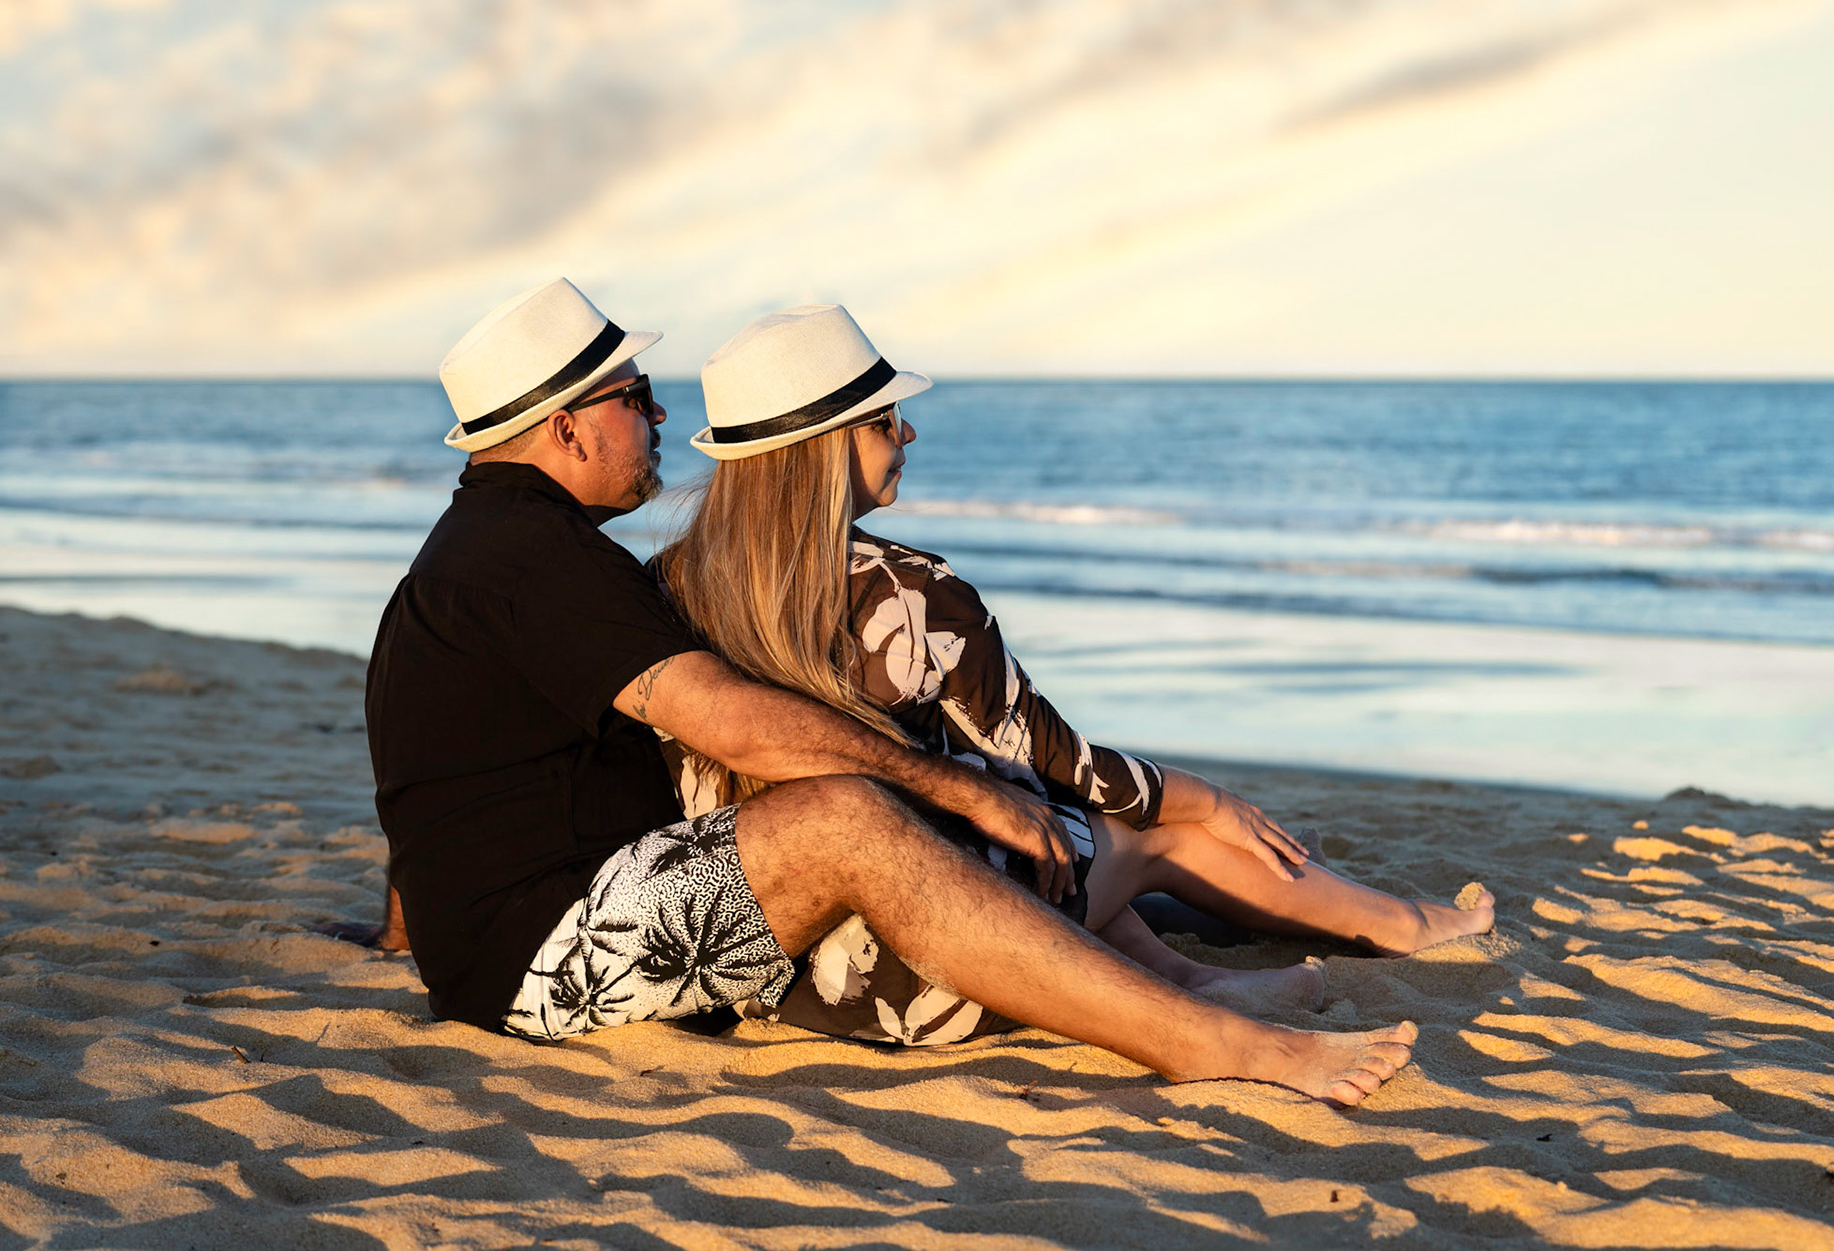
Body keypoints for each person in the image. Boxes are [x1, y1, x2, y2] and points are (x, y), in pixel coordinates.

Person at [354, 277, 1421, 1106]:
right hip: (553, 949)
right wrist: (958, 792)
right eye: (632, 397)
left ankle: (1192, 986)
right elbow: (726, 717)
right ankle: (1209, 1039)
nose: (656, 413)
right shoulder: (529, 556)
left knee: (871, 805)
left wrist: (417, 926)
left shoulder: (479, 559)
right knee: (848, 814)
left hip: (521, 940)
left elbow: (428, 779)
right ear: (566, 425)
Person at [651, 304, 1495, 1045]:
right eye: (885, 419)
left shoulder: (666, 584)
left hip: (769, 965)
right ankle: (1405, 924)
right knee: (1159, 829)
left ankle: (1192, 977)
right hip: (934, 963)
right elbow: (1065, 761)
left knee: (1016, 801)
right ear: (823, 446)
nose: (908, 433)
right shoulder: (914, 596)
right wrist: (1212, 799)